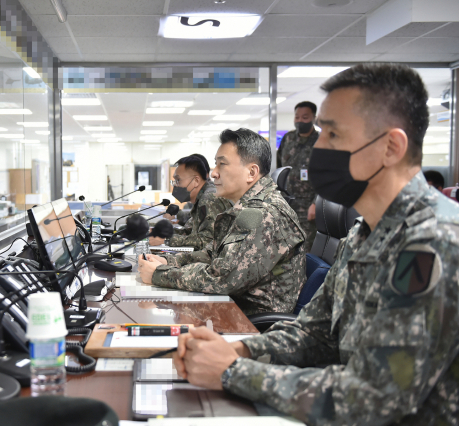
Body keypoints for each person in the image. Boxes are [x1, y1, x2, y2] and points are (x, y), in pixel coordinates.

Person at [171, 64, 459, 425]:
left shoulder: (434, 241)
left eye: (333, 135)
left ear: (391, 147)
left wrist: (232, 371)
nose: (315, 149)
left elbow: (376, 396)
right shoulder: (363, 233)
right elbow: (315, 332)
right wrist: (240, 349)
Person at [139, 129, 306, 315]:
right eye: (215, 165)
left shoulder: (263, 213)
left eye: (222, 164)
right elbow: (216, 255)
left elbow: (222, 279)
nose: (213, 174)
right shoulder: (246, 208)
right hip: (231, 306)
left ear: (251, 172)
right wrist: (169, 260)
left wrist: (160, 274)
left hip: (251, 321)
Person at [149, 154, 231, 251]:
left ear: (196, 181)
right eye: (174, 181)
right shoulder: (202, 197)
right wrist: (161, 232)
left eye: (178, 180)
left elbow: (206, 241)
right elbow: (190, 232)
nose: (175, 186)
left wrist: (166, 240)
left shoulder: (209, 198)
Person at [277, 101, 320, 248]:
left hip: (308, 206)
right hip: (286, 203)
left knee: (305, 249)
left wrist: (316, 203)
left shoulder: (321, 141)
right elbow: (279, 169)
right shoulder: (288, 138)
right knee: (284, 248)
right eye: (297, 117)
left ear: (314, 118)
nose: (300, 121)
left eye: (305, 117)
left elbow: (327, 176)